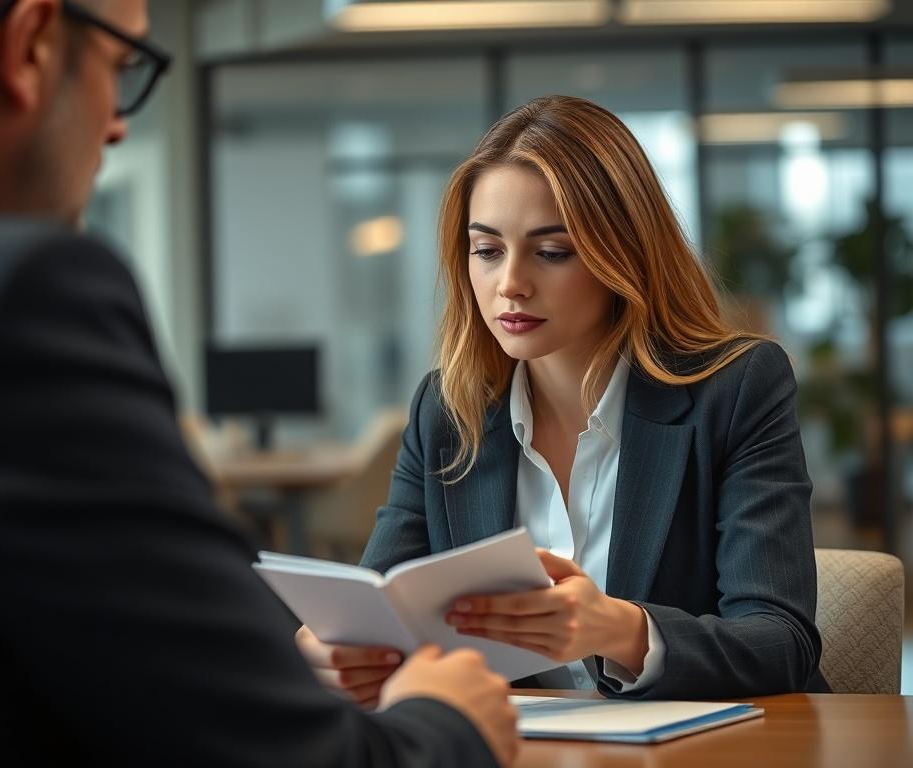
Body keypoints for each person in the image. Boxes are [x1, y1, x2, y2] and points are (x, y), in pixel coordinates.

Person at [0, 1, 520, 766]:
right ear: (29, 45)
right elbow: (276, 753)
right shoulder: (9, 299)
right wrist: (448, 723)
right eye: (122, 69)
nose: (117, 127)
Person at [298, 95, 829, 703]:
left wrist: (621, 630)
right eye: (487, 250)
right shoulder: (447, 411)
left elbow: (781, 642)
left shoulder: (736, 389)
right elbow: (375, 605)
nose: (511, 284)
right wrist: (332, 652)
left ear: (622, 254)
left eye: (552, 252)